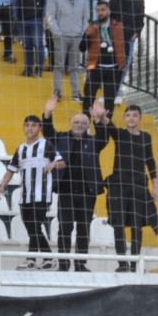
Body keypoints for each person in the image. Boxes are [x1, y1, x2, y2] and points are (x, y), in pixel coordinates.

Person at [42, 96, 110, 271]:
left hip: (88, 192)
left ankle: (80, 264)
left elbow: (104, 137)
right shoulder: (62, 138)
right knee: (64, 228)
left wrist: (97, 119)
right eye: (76, 122)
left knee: (83, 229)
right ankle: (64, 264)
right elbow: (48, 132)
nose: (79, 125)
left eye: (83, 123)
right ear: (72, 124)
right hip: (66, 190)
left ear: (88, 127)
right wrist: (48, 112)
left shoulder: (94, 141)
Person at [0, 113, 63, 270]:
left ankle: (31, 259)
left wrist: (52, 165)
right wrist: (2, 185)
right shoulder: (20, 149)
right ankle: (49, 258)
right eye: (27, 125)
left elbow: (61, 163)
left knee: (35, 225)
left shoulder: (46, 145)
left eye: (33, 125)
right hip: (25, 197)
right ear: (23, 128)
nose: (30, 128)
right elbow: (11, 169)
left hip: (42, 195)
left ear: (40, 128)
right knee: (32, 228)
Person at [100, 104, 158, 269]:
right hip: (119, 185)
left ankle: (134, 263)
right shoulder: (120, 134)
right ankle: (122, 263)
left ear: (140, 118)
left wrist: (155, 187)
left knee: (136, 225)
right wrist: (100, 115)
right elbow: (108, 124)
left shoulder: (146, 137)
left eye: (135, 115)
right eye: (128, 115)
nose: (131, 118)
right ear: (124, 118)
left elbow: (151, 162)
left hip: (139, 185)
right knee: (118, 224)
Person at [44, 0, 89, 102]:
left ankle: (76, 93)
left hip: (77, 36)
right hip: (61, 36)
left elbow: (86, 16)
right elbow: (50, 16)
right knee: (59, 65)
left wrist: (82, 31)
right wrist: (57, 33)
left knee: (74, 66)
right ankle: (57, 91)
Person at [81, 0, 126, 116]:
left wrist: (122, 62)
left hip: (114, 69)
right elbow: (81, 48)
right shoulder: (92, 27)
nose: (100, 13)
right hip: (95, 68)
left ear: (109, 11)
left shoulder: (118, 25)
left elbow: (125, 44)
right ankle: (85, 127)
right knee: (88, 98)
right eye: (97, 10)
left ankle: (106, 129)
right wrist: (88, 34)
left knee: (110, 101)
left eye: (102, 10)